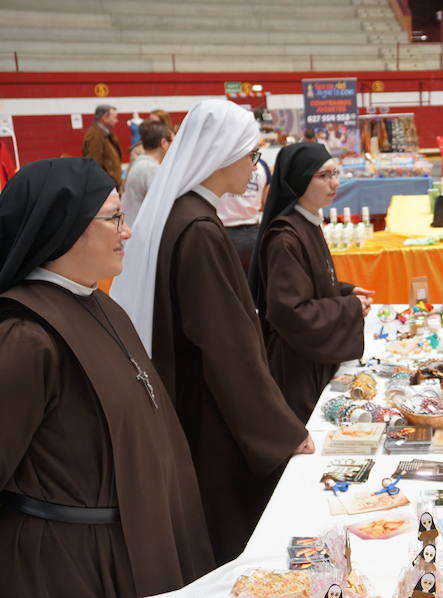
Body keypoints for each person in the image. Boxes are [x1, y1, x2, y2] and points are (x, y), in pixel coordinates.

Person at [110, 99, 313, 565]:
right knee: (230, 531)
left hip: (193, 393)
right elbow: (228, 349)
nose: (256, 167)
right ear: (223, 155)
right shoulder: (199, 228)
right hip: (210, 408)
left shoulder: (184, 215)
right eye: (251, 155)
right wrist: (283, 431)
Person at [0, 158, 214, 596]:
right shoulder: (25, 337)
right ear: (65, 226)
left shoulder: (101, 304)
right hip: (69, 566)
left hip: (134, 543)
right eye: (114, 217)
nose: (127, 230)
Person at [249, 143, 372, 422]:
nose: (335, 182)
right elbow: (290, 311)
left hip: (309, 359)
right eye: (324, 175)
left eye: (335, 173)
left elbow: (311, 281)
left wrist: (346, 290)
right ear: (300, 180)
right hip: (296, 369)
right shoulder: (285, 238)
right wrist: (349, 307)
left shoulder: (307, 224)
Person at [218, 156, 271, 274]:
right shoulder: (262, 166)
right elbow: (265, 202)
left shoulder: (225, 160)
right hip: (253, 233)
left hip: (225, 231)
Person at [122, 120, 172, 227]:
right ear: (164, 143)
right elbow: (161, 207)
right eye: (172, 142)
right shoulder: (151, 169)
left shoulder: (141, 164)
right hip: (138, 231)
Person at [82, 103, 123, 190]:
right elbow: (94, 163)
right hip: (105, 187)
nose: (117, 121)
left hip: (110, 184)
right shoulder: (95, 135)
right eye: (114, 117)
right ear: (104, 117)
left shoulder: (105, 134)